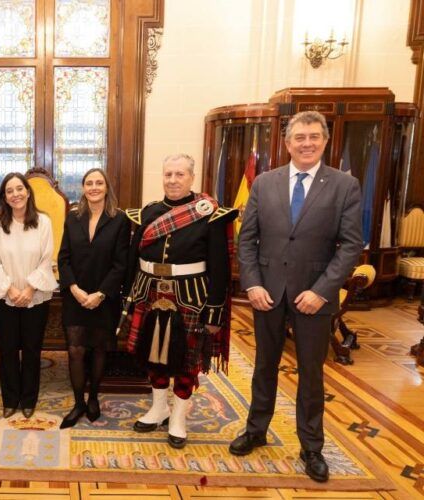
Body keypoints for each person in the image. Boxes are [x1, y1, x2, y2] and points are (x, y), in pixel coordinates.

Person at [230, 111, 362, 483]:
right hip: (267, 293)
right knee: (264, 366)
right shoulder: (264, 183)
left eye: (313, 136)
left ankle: (311, 447)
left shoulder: (344, 185)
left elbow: (351, 245)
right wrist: (252, 284)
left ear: (325, 141)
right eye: (299, 137)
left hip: (313, 296)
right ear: (287, 143)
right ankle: (256, 430)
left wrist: (321, 292)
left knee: (310, 373)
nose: (306, 143)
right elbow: (246, 240)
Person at [124, 153, 236, 448]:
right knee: (153, 352)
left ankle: (178, 418)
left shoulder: (210, 215)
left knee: (188, 360)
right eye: (168, 174)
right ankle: (159, 408)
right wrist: (129, 296)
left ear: (192, 178)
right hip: (149, 291)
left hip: (191, 296)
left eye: (180, 174)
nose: (173, 180)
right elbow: (132, 259)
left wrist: (214, 313)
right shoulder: (148, 213)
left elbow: (219, 268)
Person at [57, 168, 129, 428]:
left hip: (104, 296)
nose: (94, 187)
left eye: (99, 183)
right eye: (89, 183)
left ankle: (94, 398)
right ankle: (79, 403)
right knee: (75, 350)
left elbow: (121, 264)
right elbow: (63, 258)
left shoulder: (119, 219)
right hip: (75, 295)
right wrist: (74, 288)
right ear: (83, 188)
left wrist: (101, 293)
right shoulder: (73, 217)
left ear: (107, 187)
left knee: (99, 349)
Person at [0, 172, 58, 419]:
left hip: (35, 297)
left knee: (31, 350)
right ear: (4, 197)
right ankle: (10, 399)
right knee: (7, 350)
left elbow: (46, 260)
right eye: (9, 191)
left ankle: (29, 399)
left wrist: (29, 289)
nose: (15, 194)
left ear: (28, 192)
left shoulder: (43, 221)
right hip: (4, 296)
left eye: (19, 189)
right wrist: (10, 290)